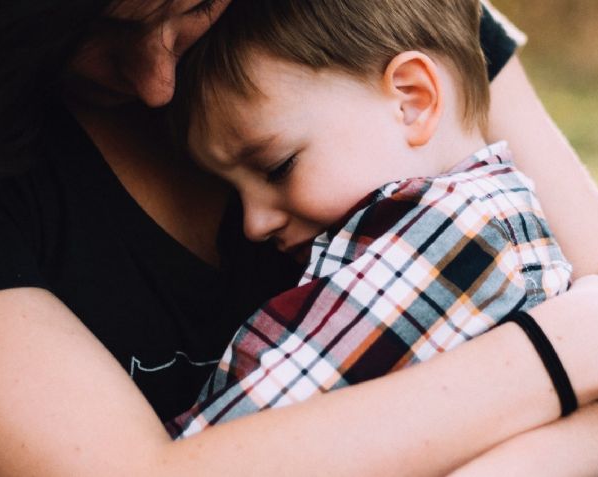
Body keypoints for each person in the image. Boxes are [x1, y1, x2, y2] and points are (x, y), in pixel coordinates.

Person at [0, 0, 598, 475]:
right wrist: (572, 348)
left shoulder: (374, 25)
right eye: (92, 34)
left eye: (186, 7)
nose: (157, 82)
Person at [167, 0, 574, 437]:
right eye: (234, 191)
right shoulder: (491, 215)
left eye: (278, 167)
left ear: (412, 100)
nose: (254, 224)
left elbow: (240, 437)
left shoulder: (449, 237)